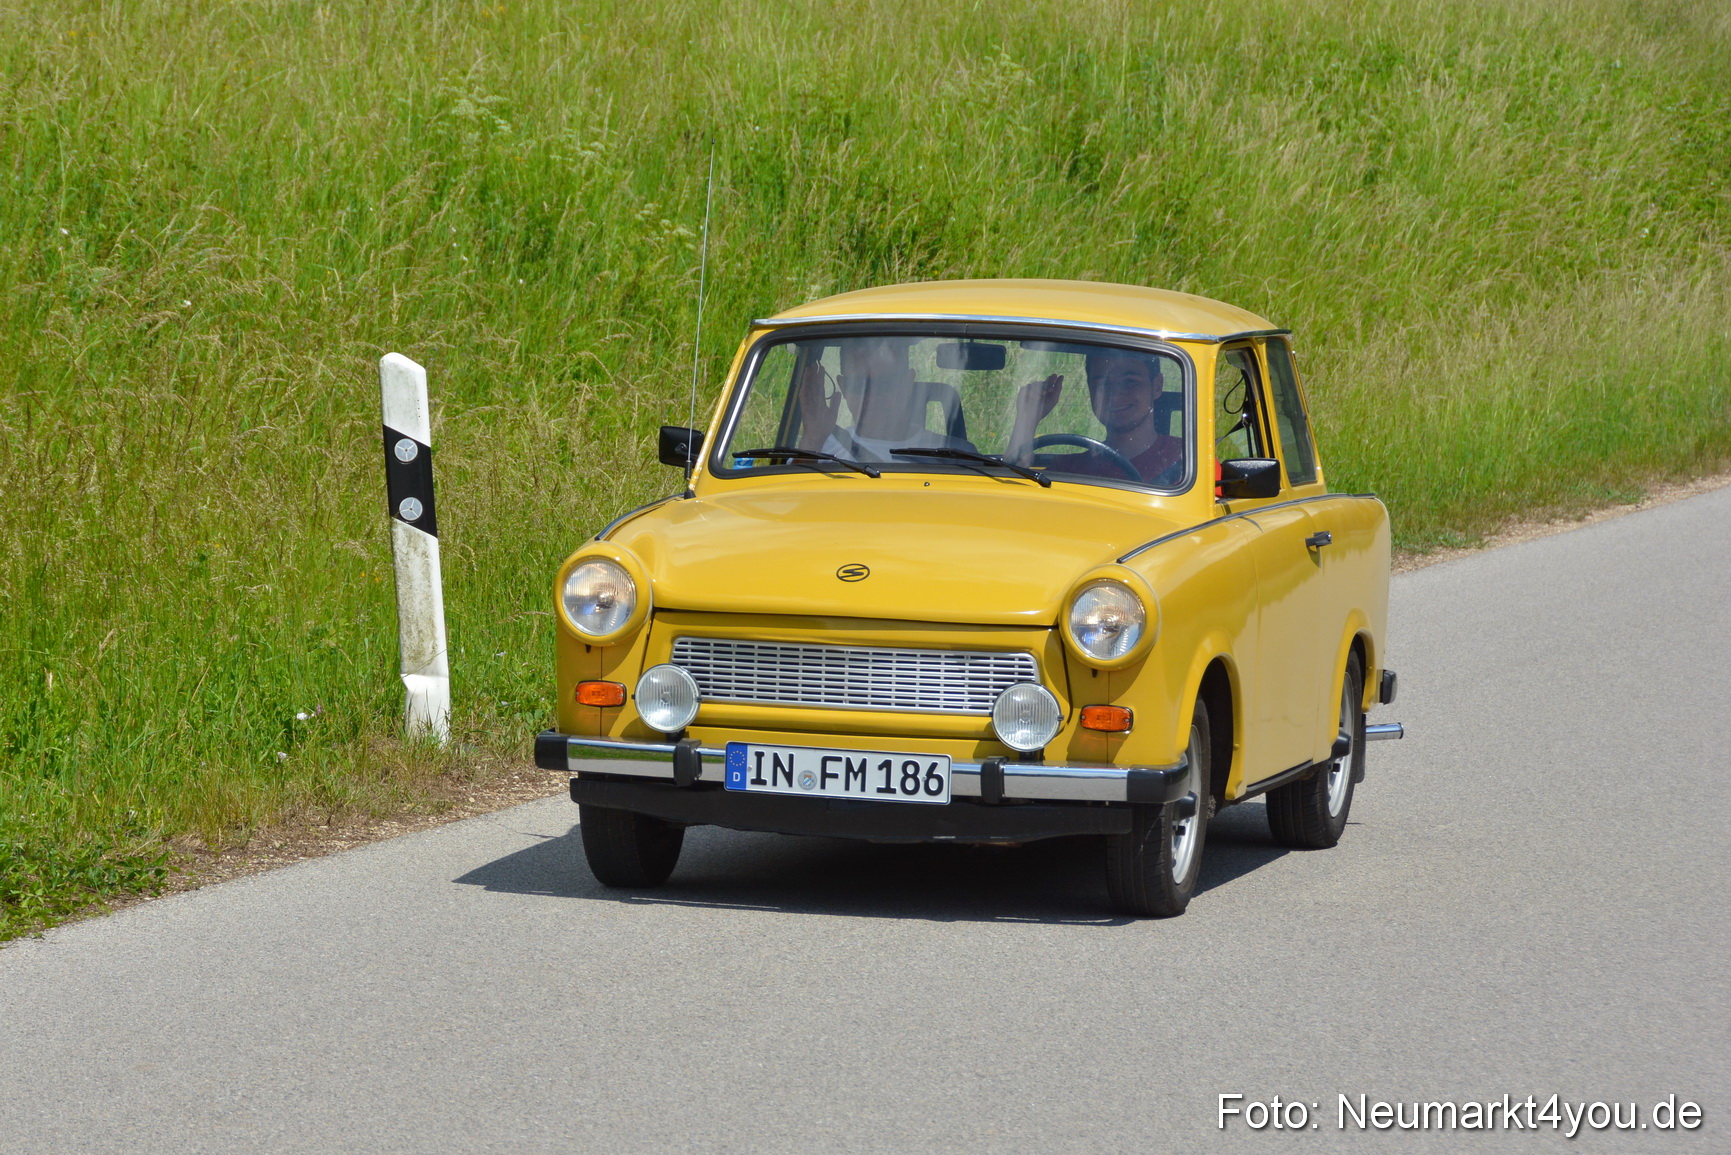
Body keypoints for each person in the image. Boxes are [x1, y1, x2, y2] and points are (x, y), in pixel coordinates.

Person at [1007, 349, 1183, 485]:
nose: (1114, 395)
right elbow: (1012, 499)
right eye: (1102, 384)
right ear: (1090, 388)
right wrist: (1027, 419)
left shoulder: (1186, 461)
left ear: (1157, 386)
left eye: (1130, 382)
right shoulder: (1069, 469)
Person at [793, 337, 970, 462]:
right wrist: (813, 439)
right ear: (843, 387)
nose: (871, 398)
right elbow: (790, 506)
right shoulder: (817, 451)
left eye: (884, 385)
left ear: (908, 383)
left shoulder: (958, 456)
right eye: (859, 385)